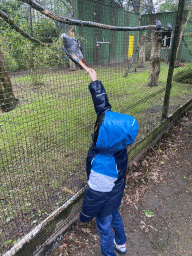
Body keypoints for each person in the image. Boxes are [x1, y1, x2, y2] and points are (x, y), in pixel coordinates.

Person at [80, 68, 139, 256]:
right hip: (115, 196)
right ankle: (122, 243)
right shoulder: (117, 141)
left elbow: (95, 194)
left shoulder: (103, 165)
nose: (98, 123)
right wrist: (94, 80)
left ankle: (109, 253)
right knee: (116, 215)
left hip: (104, 200)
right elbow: (103, 108)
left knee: (105, 228)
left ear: (105, 135)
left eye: (99, 126)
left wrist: (85, 215)